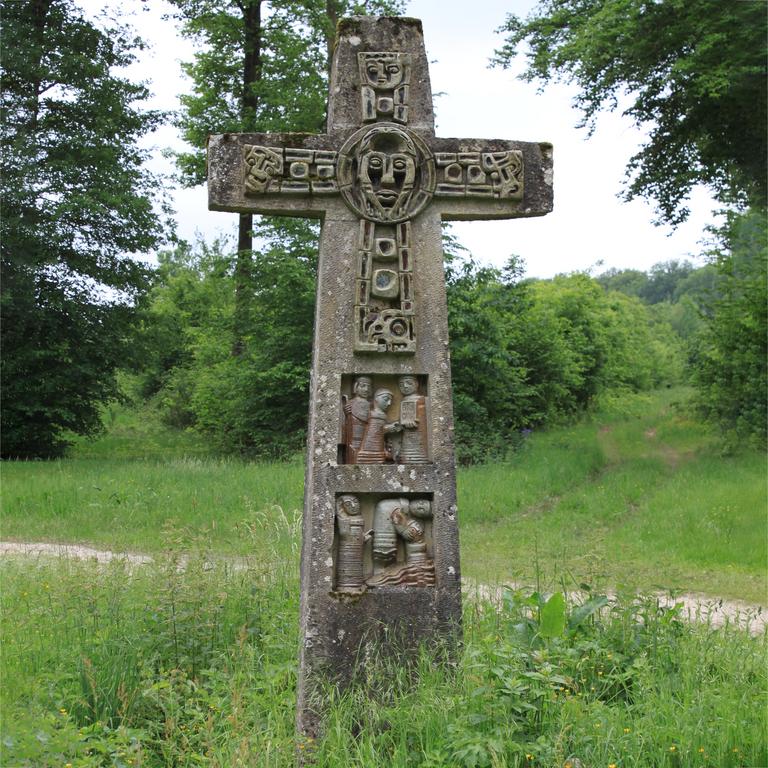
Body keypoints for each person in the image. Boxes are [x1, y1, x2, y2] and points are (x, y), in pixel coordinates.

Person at [356, 388, 402, 464]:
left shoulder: (382, 415)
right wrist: (388, 428)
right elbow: (374, 431)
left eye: (390, 401)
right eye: (386, 399)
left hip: (379, 447)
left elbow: (380, 429)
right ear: (376, 399)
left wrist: (391, 427)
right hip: (370, 446)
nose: (389, 403)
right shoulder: (371, 413)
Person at [396, 375, 428, 463]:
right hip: (406, 435)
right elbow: (402, 419)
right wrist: (398, 425)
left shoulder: (421, 399)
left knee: (418, 456)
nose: (405, 386)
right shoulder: (403, 400)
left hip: (418, 435)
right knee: (406, 455)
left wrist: (417, 421)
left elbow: (425, 418)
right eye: (401, 385)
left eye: (409, 383)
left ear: (416, 384)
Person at [342, 376, 372, 463]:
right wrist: (346, 414)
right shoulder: (350, 403)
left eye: (368, 386)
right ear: (356, 387)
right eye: (363, 386)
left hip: (367, 441)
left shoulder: (372, 405)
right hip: (353, 440)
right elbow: (344, 425)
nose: (366, 389)